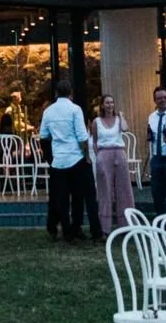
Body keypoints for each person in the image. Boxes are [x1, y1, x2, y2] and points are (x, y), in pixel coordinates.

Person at [37, 81, 94, 241]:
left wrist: (50, 157)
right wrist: (87, 156)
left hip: (58, 159)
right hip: (75, 157)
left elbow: (44, 136)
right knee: (78, 197)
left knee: (60, 198)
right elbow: (82, 136)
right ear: (71, 93)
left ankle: (62, 228)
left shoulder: (48, 111)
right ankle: (76, 228)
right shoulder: (75, 110)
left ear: (56, 93)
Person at [91, 93, 136, 234]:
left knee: (124, 188)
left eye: (112, 102)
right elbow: (94, 141)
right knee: (105, 189)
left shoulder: (118, 119)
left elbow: (125, 129)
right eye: (107, 103)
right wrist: (98, 156)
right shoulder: (96, 121)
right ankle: (105, 227)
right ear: (102, 105)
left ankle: (127, 224)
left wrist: (121, 116)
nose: (110, 105)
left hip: (119, 153)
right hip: (104, 153)